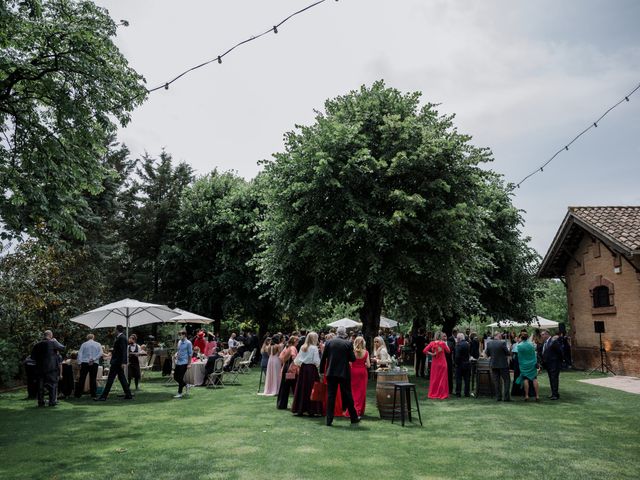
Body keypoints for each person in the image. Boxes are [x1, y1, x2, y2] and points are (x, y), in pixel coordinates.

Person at [319, 326, 360, 426]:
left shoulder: (329, 342)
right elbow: (353, 359)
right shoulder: (348, 343)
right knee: (348, 395)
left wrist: (321, 371)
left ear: (337, 333)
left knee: (331, 396)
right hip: (343, 373)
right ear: (344, 333)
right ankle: (353, 418)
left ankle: (329, 420)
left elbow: (323, 358)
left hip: (331, 372)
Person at [95, 325, 133, 401]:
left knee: (110, 379)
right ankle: (128, 394)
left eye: (115, 329)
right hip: (117, 361)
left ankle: (103, 396)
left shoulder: (122, 338)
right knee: (122, 379)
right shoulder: (120, 337)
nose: (114, 330)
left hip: (117, 362)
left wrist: (123, 362)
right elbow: (119, 350)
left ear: (117, 330)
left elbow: (124, 351)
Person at [291, 332, 323, 416]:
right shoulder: (314, 348)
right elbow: (316, 361)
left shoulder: (303, 347)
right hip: (311, 369)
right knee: (312, 388)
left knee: (302, 388)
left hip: (303, 369)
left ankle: (300, 408)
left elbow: (297, 360)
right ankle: (312, 409)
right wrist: (317, 365)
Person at [31, 330, 65, 407]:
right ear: (50, 335)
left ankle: (41, 402)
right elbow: (62, 348)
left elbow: (32, 358)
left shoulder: (37, 345)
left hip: (40, 369)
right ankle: (52, 402)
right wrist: (56, 341)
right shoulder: (53, 343)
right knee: (52, 385)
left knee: (40, 386)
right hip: (51, 368)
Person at [485, 332, 511, 402]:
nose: (501, 336)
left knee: (496, 381)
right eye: (500, 335)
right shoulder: (502, 343)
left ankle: (498, 397)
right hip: (503, 365)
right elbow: (507, 353)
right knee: (507, 380)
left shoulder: (489, 343)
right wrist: (509, 349)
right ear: (498, 335)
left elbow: (487, 354)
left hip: (493, 364)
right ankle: (506, 397)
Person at [75, 333, 103, 399]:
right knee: (93, 378)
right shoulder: (98, 344)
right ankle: (93, 394)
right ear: (93, 337)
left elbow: (80, 353)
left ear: (87, 338)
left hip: (84, 362)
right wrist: (94, 359)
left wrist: (79, 362)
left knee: (82, 378)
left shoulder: (84, 344)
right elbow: (100, 353)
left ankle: (78, 394)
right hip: (94, 362)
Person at [423, 332, 450, 399]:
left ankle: (433, 393)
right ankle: (441, 393)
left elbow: (424, 350)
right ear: (441, 336)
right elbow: (448, 351)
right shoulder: (442, 343)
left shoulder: (432, 343)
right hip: (443, 363)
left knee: (434, 379)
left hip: (435, 364)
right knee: (442, 379)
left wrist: (432, 354)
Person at [514, 332, 540, 402]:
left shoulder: (519, 346)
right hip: (532, 363)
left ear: (521, 338)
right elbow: (535, 352)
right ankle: (537, 396)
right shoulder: (532, 344)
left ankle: (526, 395)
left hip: (524, 364)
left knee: (526, 379)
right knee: (534, 379)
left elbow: (515, 353)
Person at [350, 336, 370, 416]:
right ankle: (359, 410)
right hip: (362, 372)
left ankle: (353, 409)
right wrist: (363, 363)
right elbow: (368, 365)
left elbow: (350, 363)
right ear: (363, 343)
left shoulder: (352, 352)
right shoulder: (366, 352)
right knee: (361, 392)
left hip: (353, 372)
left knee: (353, 391)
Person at [277, 335, 298, 409]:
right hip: (291, 368)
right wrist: (296, 364)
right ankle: (296, 405)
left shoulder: (287, 347)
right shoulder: (293, 347)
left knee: (284, 386)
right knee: (295, 387)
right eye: (297, 341)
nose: (298, 343)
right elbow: (294, 356)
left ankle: (281, 404)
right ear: (295, 341)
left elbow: (280, 357)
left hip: (286, 367)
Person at [541, 330, 562, 400]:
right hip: (548, 364)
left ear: (547, 334)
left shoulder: (553, 341)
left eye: (543, 335)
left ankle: (555, 395)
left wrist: (558, 361)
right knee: (551, 379)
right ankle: (554, 393)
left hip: (554, 364)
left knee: (554, 379)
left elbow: (560, 352)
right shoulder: (545, 342)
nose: (542, 336)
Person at [173, 330, 193, 399]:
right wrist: (176, 354)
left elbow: (190, 354)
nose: (179, 336)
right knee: (175, 377)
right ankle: (186, 384)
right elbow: (179, 351)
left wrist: (189, 363)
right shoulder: (179, 342)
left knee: (180, 377)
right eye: (179, 335)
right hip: (178, 362)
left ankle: (179, 393)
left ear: (184, 335)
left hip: (184, 362)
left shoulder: (188, 343)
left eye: (180, 335)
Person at [454, 332, 471, 397]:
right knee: (467, 379)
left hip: (460, 364)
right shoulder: (467, 344)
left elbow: (457, 356)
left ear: (459, 338)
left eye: (457, 338)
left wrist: (456, 363)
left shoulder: (458, 345)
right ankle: (467, 393)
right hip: (467, 364)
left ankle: (458, 393)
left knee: (459, 379)